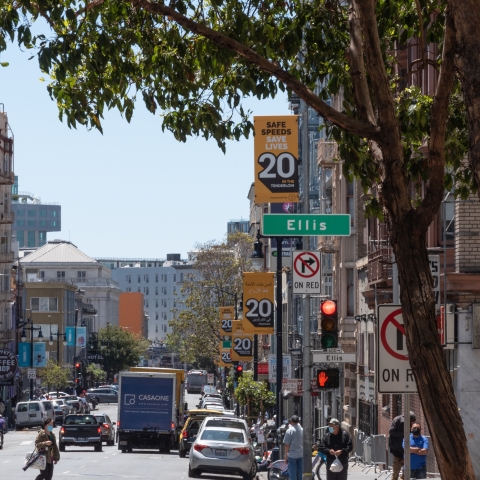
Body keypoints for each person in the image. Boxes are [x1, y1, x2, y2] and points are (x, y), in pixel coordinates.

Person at [388, 411, 416, 480]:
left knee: (406, 473)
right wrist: (404, 434)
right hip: (398, 449)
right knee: (395, 473)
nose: (411, 423)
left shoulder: (412, 424)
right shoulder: (397, 420)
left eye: (412, 422)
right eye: (410, 421)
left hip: (406, 451)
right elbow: (391, 431)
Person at [283, 415, 303, 480]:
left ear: (291, 421)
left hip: (292, 455)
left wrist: (286, 456)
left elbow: (287, 445)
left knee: (292, 475)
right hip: (301, 454)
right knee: (301, 474)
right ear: (298, 421)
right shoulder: (302, 430)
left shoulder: (289, 431)